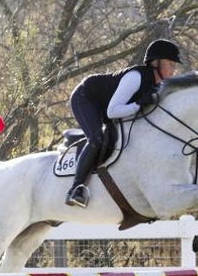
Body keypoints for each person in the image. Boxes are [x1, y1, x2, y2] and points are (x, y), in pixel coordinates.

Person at [65, 39, 182, 208]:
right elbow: (112, 112)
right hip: (86, 97)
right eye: (170, 64)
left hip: (105, 105)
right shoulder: (136, 77)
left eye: (174, 65)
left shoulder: (158, 86)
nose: (174, 70)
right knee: (98, 138)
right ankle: (76, 189)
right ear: (155, 63)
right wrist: (137, 105)